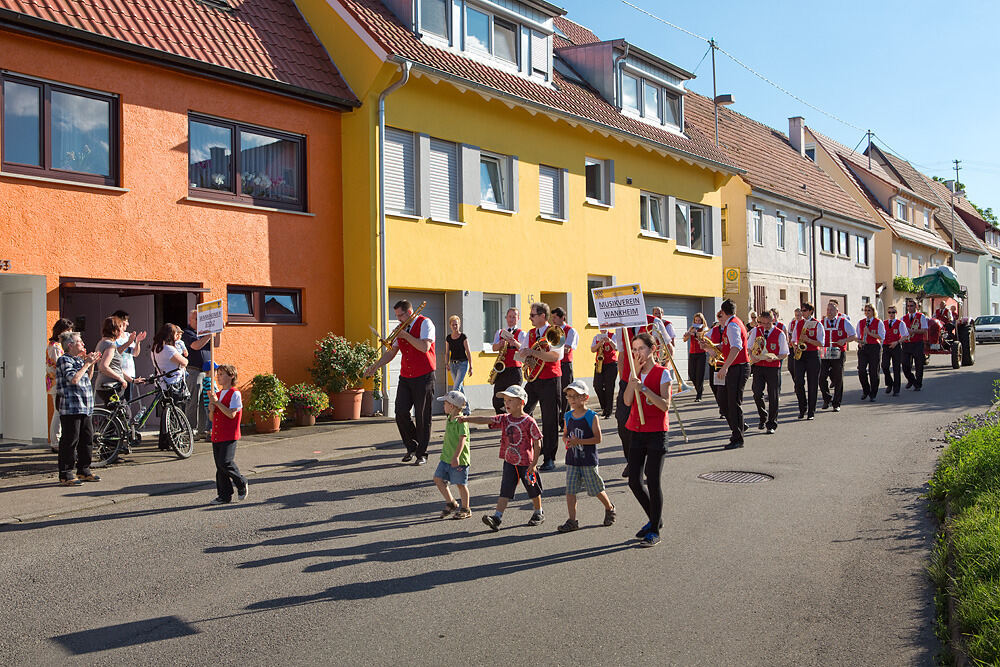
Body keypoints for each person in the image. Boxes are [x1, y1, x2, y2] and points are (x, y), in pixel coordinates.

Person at [460, 385, 543, 531]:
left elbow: (537, 442)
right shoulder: (505, 419)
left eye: (510, 400)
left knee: (532, 489)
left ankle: (538, 512)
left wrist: (534, 463)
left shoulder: (529, 421)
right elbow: (486, 419)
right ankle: (497, 517)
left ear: (521, 403)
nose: (506, 404)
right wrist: (467, 419)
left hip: (527, 464)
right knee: (505, 490)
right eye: (505, 400)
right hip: (510, 462)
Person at [365, 300, 437, 465]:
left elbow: (424, 347)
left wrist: (406, 335)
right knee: (400, 412)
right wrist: (376, 366)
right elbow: (392, 353)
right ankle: (412, 445)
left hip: (424, 375)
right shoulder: (401, 328)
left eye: (400, 315)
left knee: (422, 416)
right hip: (406, 376)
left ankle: (422, 454)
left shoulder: (426, 323)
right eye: (396, 316)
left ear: (409, 312)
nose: (398, 319)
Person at [623, 332, 671, 547]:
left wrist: (644, 388)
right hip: (637, 430)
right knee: (634, 480)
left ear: (652, 349)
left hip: (656, 432)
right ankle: (655, 519)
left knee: (653, 480)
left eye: (640, 348)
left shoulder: (663, 373)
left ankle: (654, 530)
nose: (637, 353)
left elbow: (664, 405)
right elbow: (626, 401)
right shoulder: (634, 373)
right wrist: (633, 384)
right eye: (634, 349)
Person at [557, 380, 615, 532]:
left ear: (585, 398)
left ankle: (609, 508)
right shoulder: (568, 416)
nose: (572, 399)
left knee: (595, 489)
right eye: (569, 396)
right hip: (572, 460)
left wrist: (579, 441)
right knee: (570, 491)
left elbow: (598, 439)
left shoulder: (591, 416)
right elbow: (564, 435)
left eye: (576, 396)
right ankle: (572, 521)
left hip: (588, 460)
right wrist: (567, 441)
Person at [518, 302, 563, 472]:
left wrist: (532, 352)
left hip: (550, 379)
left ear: (543, 316)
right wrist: (523, 353)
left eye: (533, 315)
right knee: (522, 410)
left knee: (550, 419)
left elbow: (555, 356)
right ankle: (528, 448)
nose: (530, 318)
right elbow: (523, 353)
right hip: (533, 379)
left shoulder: (555, 332)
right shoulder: (530, 333)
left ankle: (549, 457)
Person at [615, 313, 660, 478]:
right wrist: (623, 378)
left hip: (649, 379)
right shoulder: (621, 327)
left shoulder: (653, 322)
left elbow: (667, 348)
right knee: (623, 423)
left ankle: (648, 464)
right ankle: (632, 461)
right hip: (628, 380)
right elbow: (621, 354)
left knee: (648, 424)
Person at [54, 331, 101, 486]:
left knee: (87, 439)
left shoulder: (78, 360)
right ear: (70, 345)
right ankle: (66, 473)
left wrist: (91, 363)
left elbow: (87, 377)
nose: (83, 344)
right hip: (71, 407)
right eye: (80, 342)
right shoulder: (64, 360)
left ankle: (84, 469)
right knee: (70, 440)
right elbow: (74, 379)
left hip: (85, 406)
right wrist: (87, 363)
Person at [207, 364, 248, 505]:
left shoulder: (235, 393)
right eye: (218, 374)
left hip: (229, 434)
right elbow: (212, 418)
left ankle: (241, 481)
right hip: (217, 434)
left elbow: (231, 414)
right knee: (220, 467)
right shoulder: (217, 394)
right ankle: (224, 495)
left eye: (222, 374)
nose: (219, 377)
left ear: (231, 376)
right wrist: (212, 409)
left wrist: (217, 403)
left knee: (226, 462)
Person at [714, 300, 750, 449]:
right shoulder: (732, 323)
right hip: (734, 366)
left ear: (723, 311)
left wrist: (725, 367)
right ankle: (739, 426)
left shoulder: (733, 325)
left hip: (738, 367)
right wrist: (712, 347)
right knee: (723, 400)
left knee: (733, 403)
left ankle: (738, 438)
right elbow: (728, 346)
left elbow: (736, 347)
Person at [748, 311, 788, 434]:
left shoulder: (779, 333)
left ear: (773, 321)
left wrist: (775, 357)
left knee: (773, 395)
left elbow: (785, 353)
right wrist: (751, 356)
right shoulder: (755, 331)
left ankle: (771, 424)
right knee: (757, 392)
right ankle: (762, 415)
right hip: (759, 366)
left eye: (768, 323)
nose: (765, 326)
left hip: (772, 367)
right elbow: (748, 347)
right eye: (762, 323)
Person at [433, 390, 471, 519]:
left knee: (461, 484)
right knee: (437, 479)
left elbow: (462, 440)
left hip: (458, 459)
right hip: (446, 458)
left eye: (445, 403)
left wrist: (456, 457)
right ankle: (451, 502)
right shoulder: (450, 417)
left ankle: (466, 508)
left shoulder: (462, 421)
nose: (443, 405)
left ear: (452, 406)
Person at [151, 323, 189, 450]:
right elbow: (184, 361)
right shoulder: (169, 349)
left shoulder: (155, 348)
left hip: (161, 383)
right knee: (176, 412)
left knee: (165, 414)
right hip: (174, 383)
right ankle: (176, 441)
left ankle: (164, 442)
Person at [819, 300, 856, 412]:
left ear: (837, 311)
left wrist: (844, 340)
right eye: (828, 310)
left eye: (831, 310)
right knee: (821, 377)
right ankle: (826, 398)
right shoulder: (822, 322)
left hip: (838, 352)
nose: (829, 312)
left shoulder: (843, 322)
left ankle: (836, 403)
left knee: (838, 377)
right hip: (825, 352)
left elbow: (853, 335)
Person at [182, 310, 213, 440]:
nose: (199, 321)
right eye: (196, 319)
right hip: (194, 370)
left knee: (204, 403)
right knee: (193, 402)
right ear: (190, 320)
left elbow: (217, 345)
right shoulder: (187, 333)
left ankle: (201, 430)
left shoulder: (204, 334)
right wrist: (209, 335)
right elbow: (195, 346)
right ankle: (190, 430)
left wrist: (218, 332)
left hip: (206, 372)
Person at [490, 307, 527, 414]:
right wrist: (499, 344)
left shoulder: (521, 333)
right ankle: (501, 419)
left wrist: (515, 343)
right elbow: (493, 348)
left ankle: (514, 419)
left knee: (514, 398)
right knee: (497, 399)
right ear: (506, 318)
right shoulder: (500, 332)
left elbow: (524, 350)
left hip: (515, 370)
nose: (511, 319)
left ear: (518, 318)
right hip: (502, 370)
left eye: (514, 317)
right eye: (509, 317)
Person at [791, 303, 824, 420]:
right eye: (802, 310)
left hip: (813, 355)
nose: (802, 313)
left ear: (810, 311)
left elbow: (821, 343)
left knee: (812, 383)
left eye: (804, 310)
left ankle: (811, 411)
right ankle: (802, 407)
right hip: (800, 354)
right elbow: (793, 338)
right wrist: (795, 345)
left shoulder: (818, 324)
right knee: (798, 382)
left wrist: (808, 340)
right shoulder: (798, 323)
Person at [46, 318, 75, 453]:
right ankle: (55, 442)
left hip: (55, 383)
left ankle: (57, 440)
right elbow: (60, 364)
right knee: (58, 412)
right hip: (57, 384)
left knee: (59, 411)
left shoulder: (54, 345)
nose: (70, 333)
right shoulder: (55, 347)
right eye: (67, 330)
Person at [95, 316, 136, 405]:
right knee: (126, 415)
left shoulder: (102, 342)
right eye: (121, 327)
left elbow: (114, 367)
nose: (122, 331)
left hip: (105, 385)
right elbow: (103, 366)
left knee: (117, 414)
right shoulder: (110, 345)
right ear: (115, 330)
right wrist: (120, 379)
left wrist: (131, 380)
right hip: (111, 386)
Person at [112, 310, 147, 404]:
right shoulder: (113, 338)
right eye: (126, 321)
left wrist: (138, 341)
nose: (127, 323)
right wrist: (128, 343)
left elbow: (135, 353)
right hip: (118, 375)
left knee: (127, 403)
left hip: (130, 373)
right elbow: (115, 353)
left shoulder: (128, 335)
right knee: (118, 404)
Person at [550, 307, 578, 415]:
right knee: (554, 393)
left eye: (555, 317)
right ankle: (557, 417)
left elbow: (567, 349)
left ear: (562, 317)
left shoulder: (570, 331)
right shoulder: (552, 330)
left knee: (566, 392)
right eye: (552, 317)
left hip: (565, 364)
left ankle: (565, 417)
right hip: (554, 364)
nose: (553, 320)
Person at [857, 304, 885, 402]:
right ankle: (866, 390)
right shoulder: (861, 322)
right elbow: (858, 336)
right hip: (863, 348)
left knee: (873, 371)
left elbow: (881, 336)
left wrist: (869, 333)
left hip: (874, 347)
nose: (867, 312)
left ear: (873, 312)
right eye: (865, 310)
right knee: (861, 370)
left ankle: (873, 393)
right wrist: (860, 342)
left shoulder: (878, 322)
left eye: (869, 310)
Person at [445, 316, 473, 416]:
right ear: (450, 326)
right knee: (460, 388)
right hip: (453, 364)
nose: (454, 326)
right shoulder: (448, 338)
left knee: (456, 388)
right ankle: (467, 409)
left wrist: (471, 366)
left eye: (456, 324)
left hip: (463, 364)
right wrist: (446, 363)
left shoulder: (463, 337)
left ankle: (454, 411)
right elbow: (447, 352)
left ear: (459, 325)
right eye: (453, 325)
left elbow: (468, 351)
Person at [702, 310, 727, 420]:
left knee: (723, 387)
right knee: (714, 385)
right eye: (719, 317)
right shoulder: (714, 330)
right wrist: (708, 349)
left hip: (726, 362)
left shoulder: (730, 328)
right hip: (715, 361)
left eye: (722, 317)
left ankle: (724, 409)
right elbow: (704, 340)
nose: (721, 319)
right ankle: (722, 406)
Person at [590, 329, 618, 418]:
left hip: (611, 364)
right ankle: (604, 407)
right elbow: (592, 349)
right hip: (600, 364)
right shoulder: (596, 337)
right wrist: (599, 344)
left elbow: (616, 348)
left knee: (609, 388)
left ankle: (608, 411)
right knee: (597, 385)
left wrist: (610, 341)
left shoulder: (612, 336)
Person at [881, 306, 908, 396]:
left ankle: (896, 389)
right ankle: (889, 383)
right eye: (889, 312)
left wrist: (897, 342)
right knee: (884, 366)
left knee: (896, 368)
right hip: (886, 346)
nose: (891, 314)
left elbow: (905, 336)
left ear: (896, 313)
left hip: (896, 347)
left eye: (893, 312)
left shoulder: (900, 323)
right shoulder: (884, 323)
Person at [901, 299, 928, 391]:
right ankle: (911, 380)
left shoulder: (921, 316)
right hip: (907, 344)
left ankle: (918, 384)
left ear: (916, 306)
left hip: (917, 343)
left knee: (918, 365)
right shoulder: (903, 318)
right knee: (905, 365)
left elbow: (924, 330)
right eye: (908, 306)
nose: (909, 308)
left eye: (911, 306)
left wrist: (913, 331)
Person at [682, 313, 708, 402]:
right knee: (692, 374)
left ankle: (699, 395)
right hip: (692, 353)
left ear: (702, 320)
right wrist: (687, 335)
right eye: (696, 320)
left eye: (699, 320)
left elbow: (702, 336)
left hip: (701, 354)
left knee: (699, 374)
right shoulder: (692, 328)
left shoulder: (704, 328)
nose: (697, 322)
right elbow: (685, 340)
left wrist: (694, 333)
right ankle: (699, 389)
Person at [787, 307, 803, 381]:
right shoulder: (792, 323)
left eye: (799, 315)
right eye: (796, 315)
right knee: (790, 367)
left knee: (799, 367)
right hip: (792, 346)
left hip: (801, 346)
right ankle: (795, 380)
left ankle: (798, 382)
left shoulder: (804, 323)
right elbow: (790, 334)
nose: (797, 317)